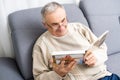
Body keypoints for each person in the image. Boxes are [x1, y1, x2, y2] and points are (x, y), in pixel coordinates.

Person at [32, 2, 120, 80]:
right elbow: (39, 77)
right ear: (45, 25)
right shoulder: (41, 45)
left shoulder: (79, 28)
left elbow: (101, 47)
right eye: (55, 24)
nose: (61, 27)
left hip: (103, 76)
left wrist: (95, 57)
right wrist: (57, 74)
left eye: (63, 20)